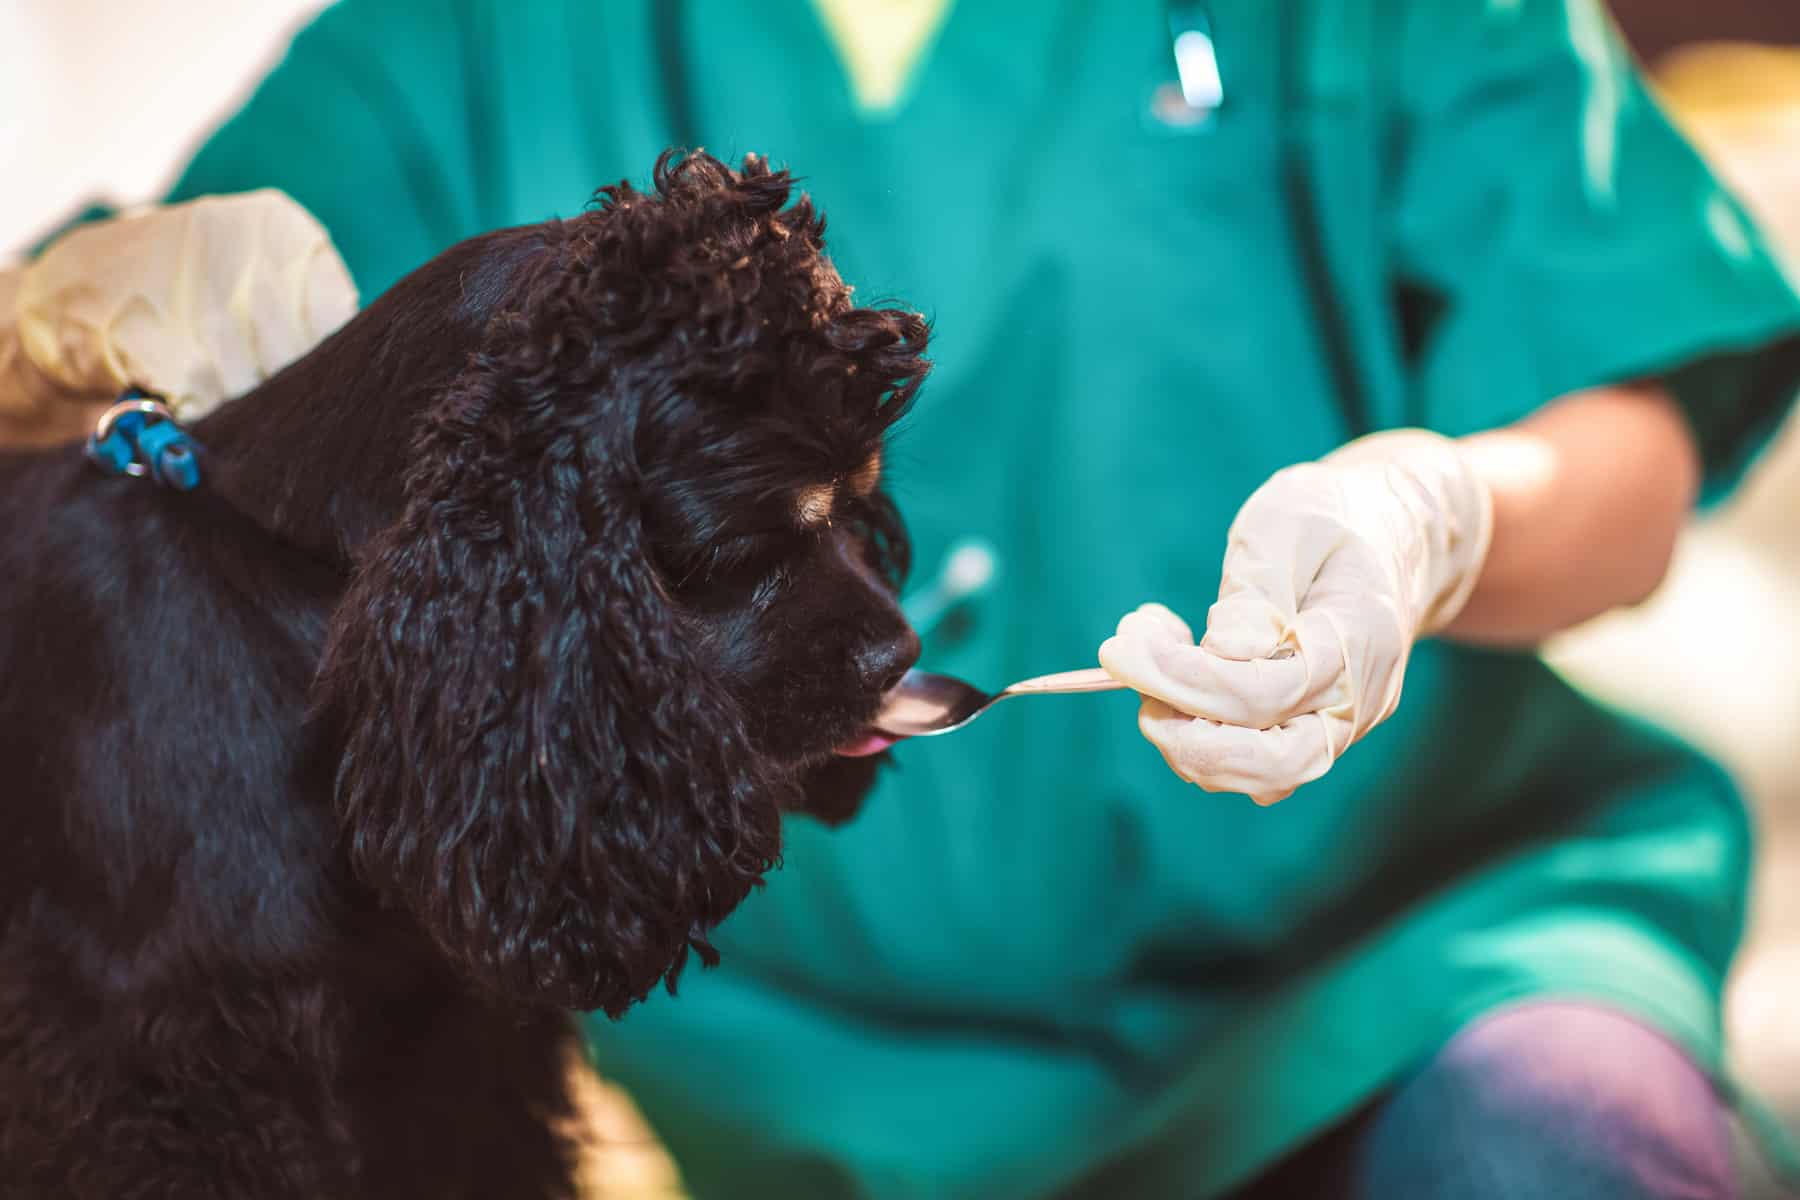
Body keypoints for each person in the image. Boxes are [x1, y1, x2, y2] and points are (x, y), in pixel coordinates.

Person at [14, 1, 1800, 1196]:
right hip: (762, 1077)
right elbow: (139, 433)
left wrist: (1442, 519)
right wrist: (70, 340)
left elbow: (1629, 439)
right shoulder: (473, 39)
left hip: (1387, 980)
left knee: (1566, 1149)